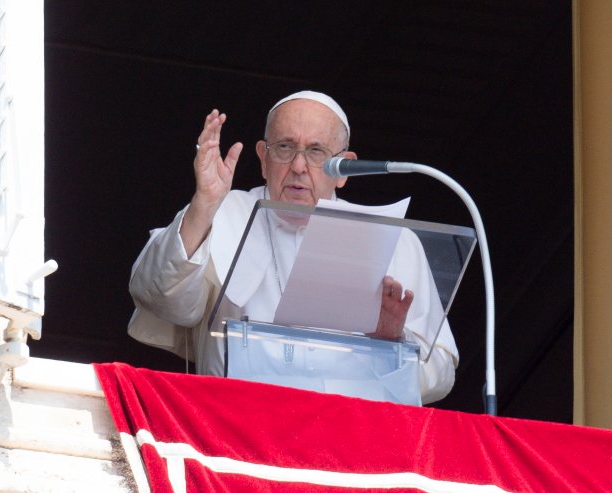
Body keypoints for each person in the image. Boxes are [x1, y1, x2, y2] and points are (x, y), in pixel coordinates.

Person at [128, 90, 459, 404]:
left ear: (344, 168)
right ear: (263, 157)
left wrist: (390, 342)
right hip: (233, 428)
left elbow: (440, 373)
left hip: (346, 442)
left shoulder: (394, 239)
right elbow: (161, 298)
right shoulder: (223, 213)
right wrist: (204, 203)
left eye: (316, 152)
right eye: (285, 147)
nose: (299, 167)